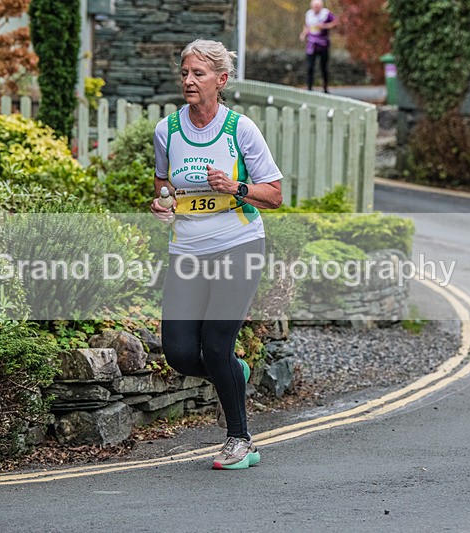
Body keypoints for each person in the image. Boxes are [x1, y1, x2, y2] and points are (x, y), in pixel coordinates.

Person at [150, 39, 283, 470]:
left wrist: (236, 188)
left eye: (199, 74)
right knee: (180, 352)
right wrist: (163, 206)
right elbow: (165, 186)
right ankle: (235, 374)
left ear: (221, 80)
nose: (189, 80)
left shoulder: (239, 130)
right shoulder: (166, 131)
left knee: (216, 342)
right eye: (185, 73)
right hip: (187, 248)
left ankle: (240, 440)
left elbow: (275, 195)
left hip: (237, 244)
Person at [300, 0, 337, 93]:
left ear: (321, 6)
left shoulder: (326, 14)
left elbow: (335, 23)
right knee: (310, 67)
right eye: (314, 6)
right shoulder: (309, 14)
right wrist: (303, 34)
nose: (316, 8)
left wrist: (324, 26)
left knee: (323, 67)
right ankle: (309, 88)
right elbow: (307, 26)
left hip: (323, 44)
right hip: (311, 45)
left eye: (318, 6)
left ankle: (325, 88)